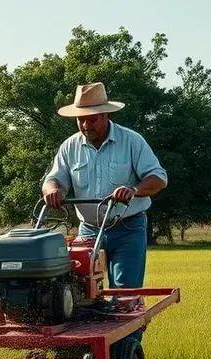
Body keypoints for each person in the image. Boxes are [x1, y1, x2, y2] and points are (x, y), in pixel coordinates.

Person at [41, 82, 167, 343]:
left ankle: (127, 352)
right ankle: (82, 347)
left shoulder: (131, 141)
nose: (86, 126)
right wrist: (52, 190)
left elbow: (158, 178)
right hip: (88, 230)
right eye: (81, 121)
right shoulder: (69, 147)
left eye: (91, 120)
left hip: (128, 227)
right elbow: (53, 179)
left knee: (124, 294)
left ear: (106, 115)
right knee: (78, 292)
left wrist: (133, 190)